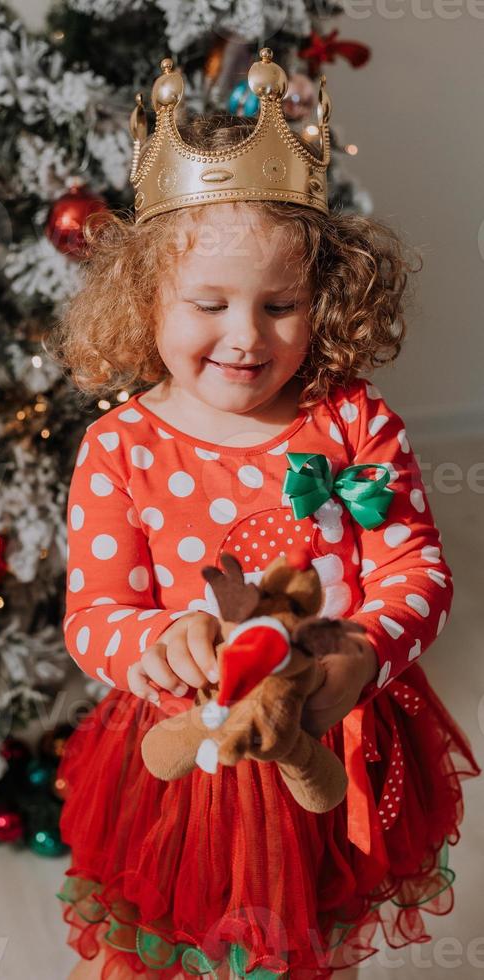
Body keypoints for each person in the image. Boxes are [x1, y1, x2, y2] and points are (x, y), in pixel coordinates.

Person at [48, 49, 480, 980]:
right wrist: (160, 643)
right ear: (144, 298)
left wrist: (362, 651)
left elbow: (418, 573)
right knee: (142, 948)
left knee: (315, 941)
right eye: (210, 303)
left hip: (334, 729)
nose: (247, 336)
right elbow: (94, 618)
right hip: (182, 752)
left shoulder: (351, 421)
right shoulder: (123, 446)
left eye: (281, 305)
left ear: (321, 300)